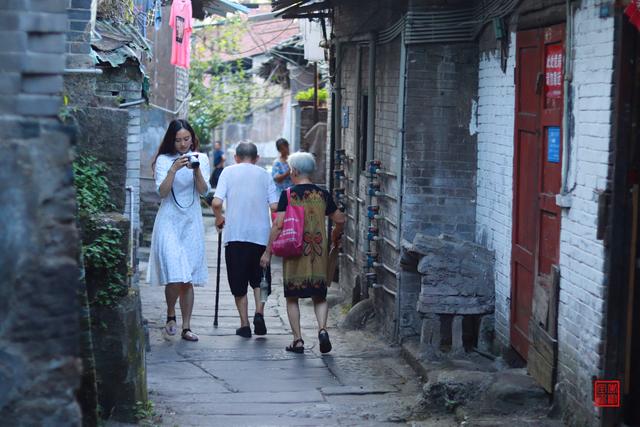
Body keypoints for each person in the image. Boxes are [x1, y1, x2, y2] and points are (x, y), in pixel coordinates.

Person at [260, 152, 345, 354]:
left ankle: (298, 340)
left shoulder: (289, 195)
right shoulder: (322, 195)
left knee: (292, 298)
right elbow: (340, 219)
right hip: (318, 253)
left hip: (295, 252)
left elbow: (279, 225)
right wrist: (335, 235)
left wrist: (267, 251)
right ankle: (322, 330)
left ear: (295, 171)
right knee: (320, 296)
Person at [147, 119, 210, 342]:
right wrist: (173, 170)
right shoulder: (164, 160)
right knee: (174, 273)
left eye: (186, 139)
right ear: (171, 141)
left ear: (192, 138)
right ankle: (170, 314)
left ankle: (187, 326)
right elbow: (162, 193)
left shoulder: (201, 158)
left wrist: (197, 171)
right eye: (178, 140)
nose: (183, 144)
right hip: (169, 222)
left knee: (188, 277)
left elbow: (204, 192)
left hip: (191, 223)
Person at [212, 142, 279, 338]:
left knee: (238, 282)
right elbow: (274, 206)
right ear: (257, 158)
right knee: (260, 280)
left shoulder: (228, 172)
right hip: (260, 236)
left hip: (236, 235)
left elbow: (216, 202)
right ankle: (259, 312)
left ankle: (244, 324)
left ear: (236, 157)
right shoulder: (265, 175)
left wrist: (219, 217)